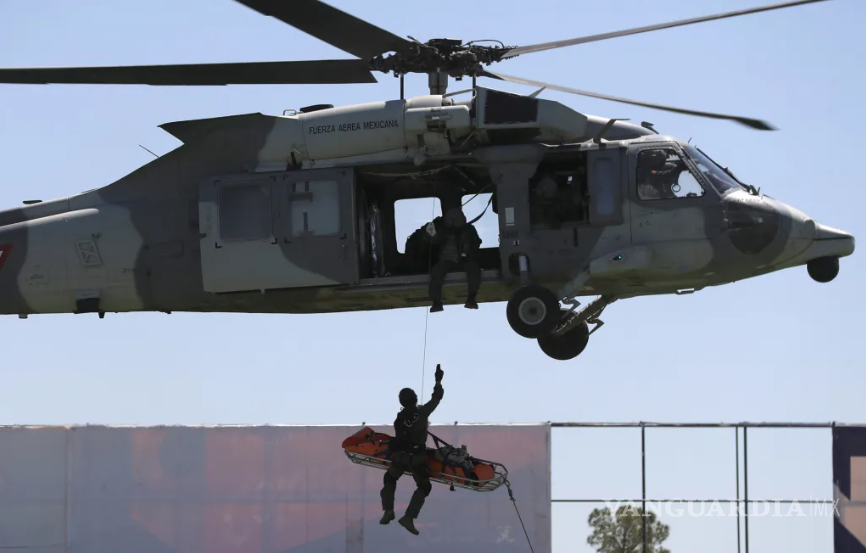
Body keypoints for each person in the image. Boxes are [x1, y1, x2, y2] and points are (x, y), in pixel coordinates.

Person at [380, 364, 445, 535]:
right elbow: (437, 397)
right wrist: (438, 380)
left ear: (402, 402)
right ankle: (408, 518)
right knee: (424, 486)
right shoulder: (422, 413)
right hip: (416, 459)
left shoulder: (399, 418)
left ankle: (388, 511)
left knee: (390, 478)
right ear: (415, 399)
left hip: (400, 457)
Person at [427, 207, 482, 312]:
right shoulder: (442, 230)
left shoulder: (469, 229)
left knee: (474, 269)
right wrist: (430, 231)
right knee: (437, 272)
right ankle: (436, 302)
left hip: (465, 261)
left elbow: (476, 242)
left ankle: (471, 298)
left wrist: (469, 252)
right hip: (447, 261)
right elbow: (434, 240)